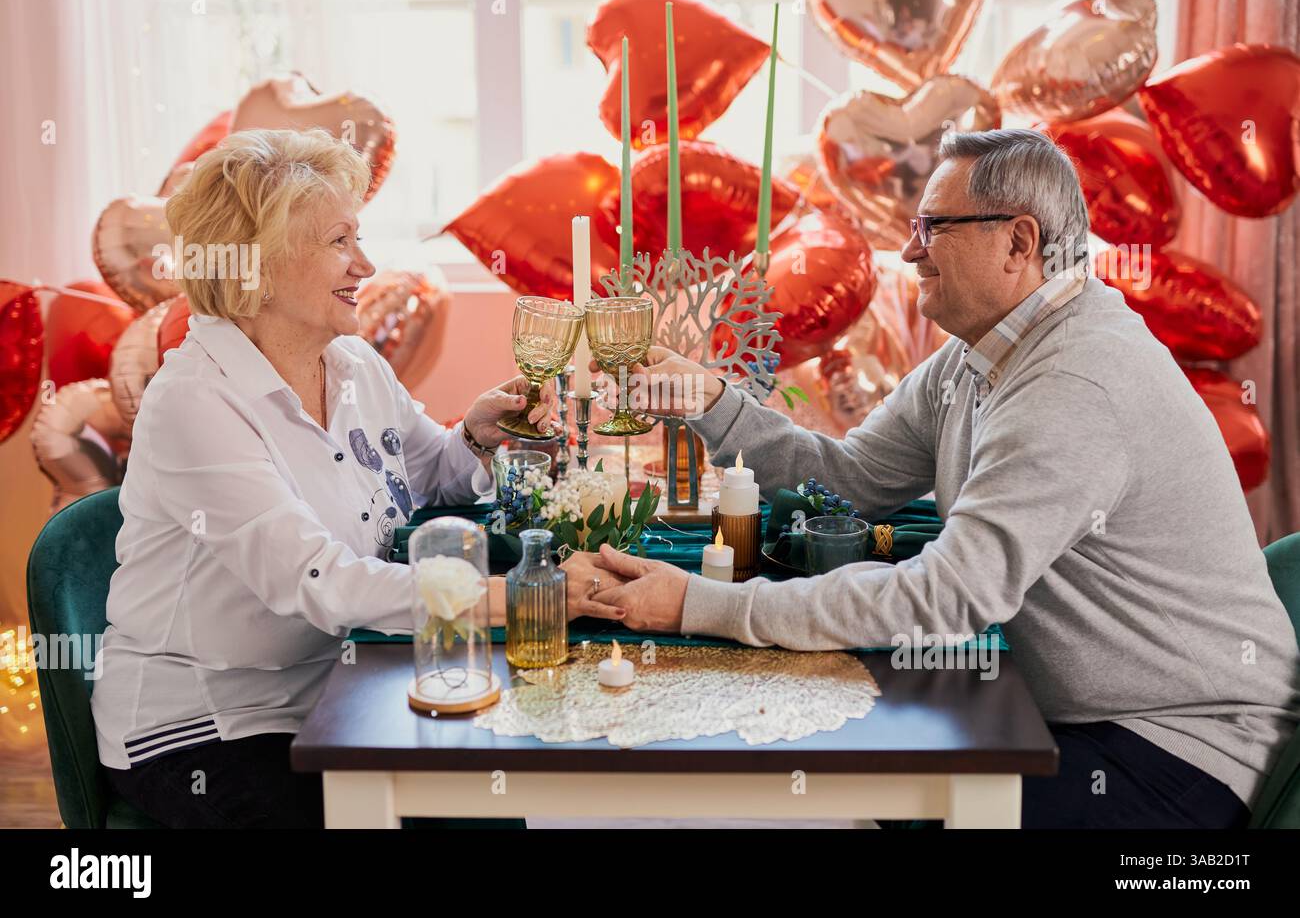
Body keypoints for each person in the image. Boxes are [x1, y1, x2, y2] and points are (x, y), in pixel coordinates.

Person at [585, 128, 1300, 828]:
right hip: (1086, 722)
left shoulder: (1077, 381)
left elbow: (946, 598)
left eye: (933, 227)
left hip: (1179, 754)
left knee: (840, 794)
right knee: (832, 772)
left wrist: (701, 607)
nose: (907, 249)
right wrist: (711, 400)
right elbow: (851, 476)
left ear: (1019, 242)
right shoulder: (978, 356)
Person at [91, 128, 619, 827]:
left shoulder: (352, 364)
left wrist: (478, 437)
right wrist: (525, 600)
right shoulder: (196, 402)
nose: (365, 264)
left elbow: (428, 472)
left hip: (339, 680)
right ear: (259, 264)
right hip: (210, 727)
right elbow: (322, 582)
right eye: (340, 241)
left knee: (485, 802)